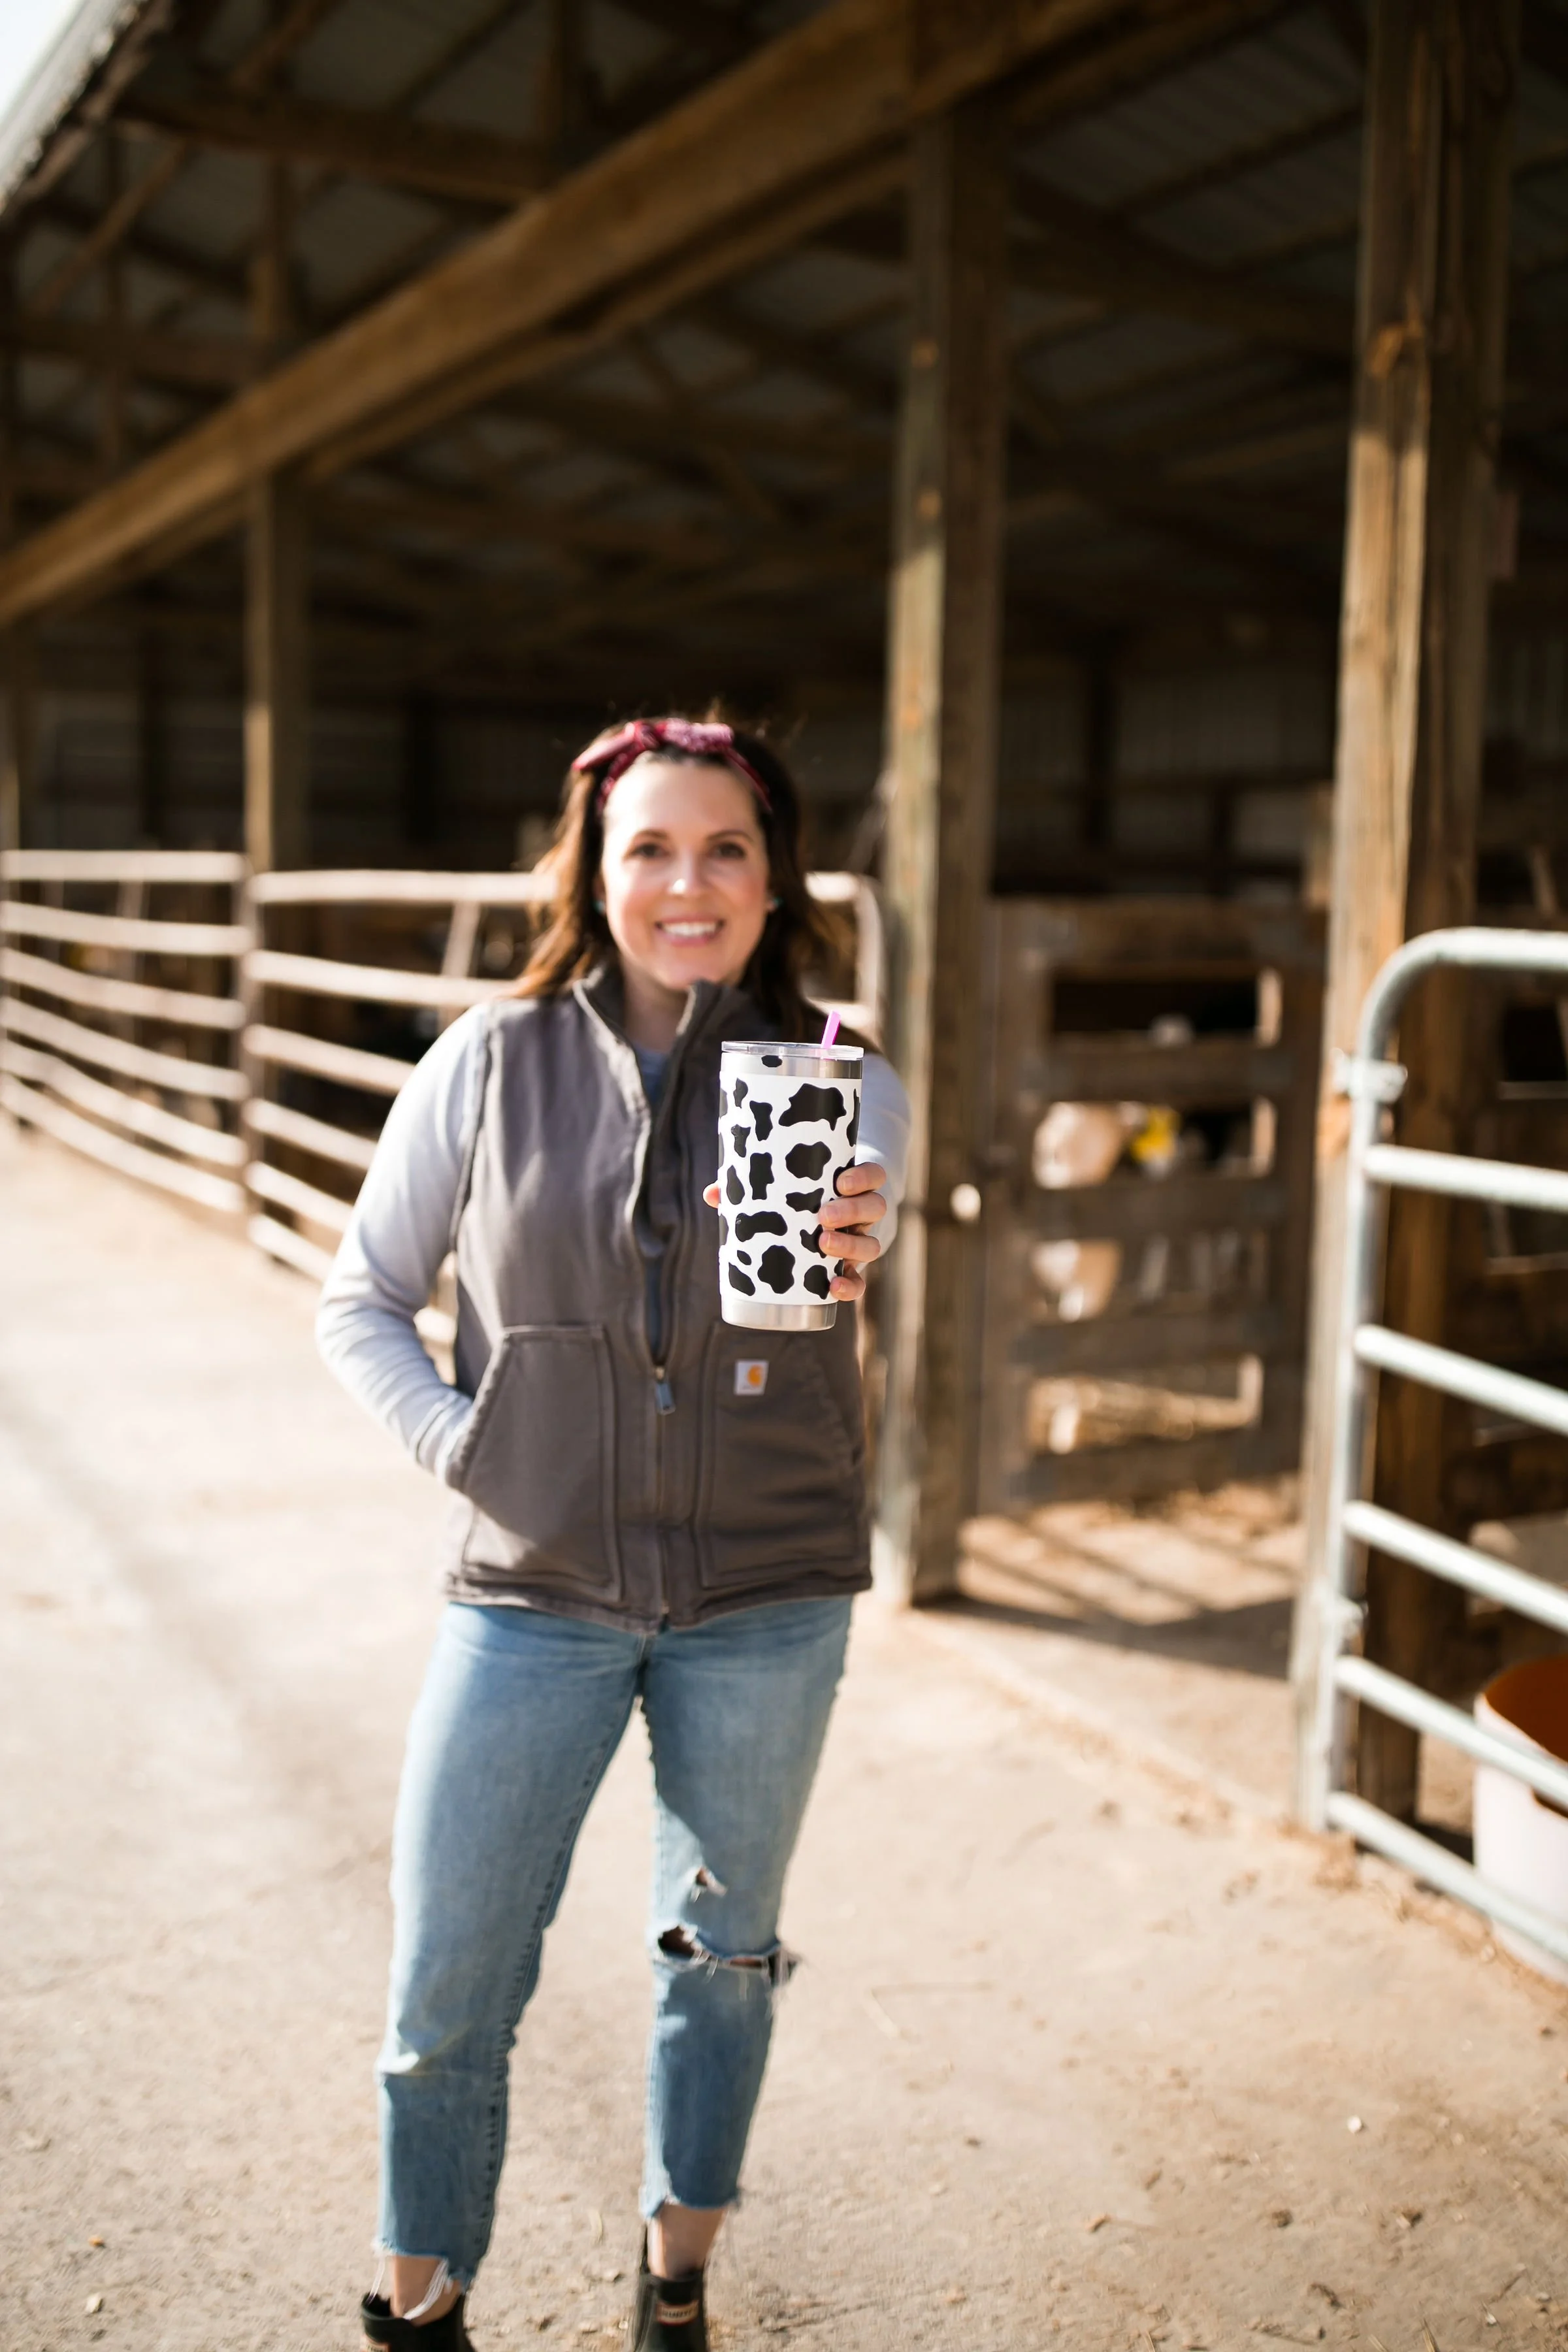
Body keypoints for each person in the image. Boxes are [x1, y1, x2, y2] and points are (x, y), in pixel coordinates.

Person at [317, 717, 910, 2352]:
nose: (687, 881)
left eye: (725, 846)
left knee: (720, 1960)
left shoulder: (847, 1083)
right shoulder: (486, 1064)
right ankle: (418, 2304)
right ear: (593, 868)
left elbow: (841, 1285)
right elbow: (359, 1299)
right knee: (448, 1985)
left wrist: (866, 1232)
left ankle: (677, 2284)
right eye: (648, 846)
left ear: (776, 875)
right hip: (533, 1593)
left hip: (768, 1596)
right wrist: (469, 1444)